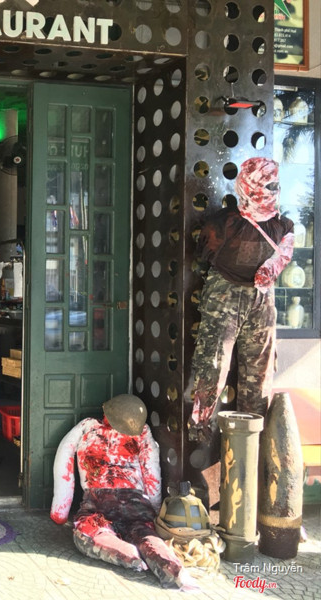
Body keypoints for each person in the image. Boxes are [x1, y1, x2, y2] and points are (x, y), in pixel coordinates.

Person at [188, 157, 294, 442]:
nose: (273, 190)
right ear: (249, 185)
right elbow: (205, 253)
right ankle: (200, 429)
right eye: (267, 184)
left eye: (275, 184)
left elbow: (282, 255)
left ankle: (251, 440)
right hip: (226, 295)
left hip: (261, 298)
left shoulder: (282, 225)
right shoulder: (223, 223)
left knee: (259, 373)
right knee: (214, 364)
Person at [50, 394, 195, 590]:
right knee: (144, 531)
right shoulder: (142, 432)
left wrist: (60, 511)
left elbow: (64, 460)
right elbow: (151, 472)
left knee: (88, 530)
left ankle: (126, 554)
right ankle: (170, 565)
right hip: (135, 502)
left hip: (97, 501)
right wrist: (155, 509)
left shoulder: (86, 427)